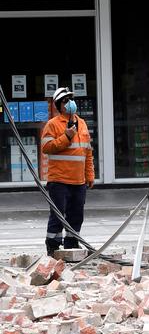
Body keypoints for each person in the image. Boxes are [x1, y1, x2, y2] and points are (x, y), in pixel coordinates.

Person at [41, 87, 94, 256]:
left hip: (78, 181)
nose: (70, 103)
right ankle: (53, 246)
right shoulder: (53, 124)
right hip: (59, 181)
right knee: (57, 216)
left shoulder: (82, 123)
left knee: (76, 215)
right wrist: (67, 136)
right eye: (65, 100)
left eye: (71, 99)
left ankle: (71, 244)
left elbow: (87, 152)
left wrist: (90, 175)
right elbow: (47, 147)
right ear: (58, 104)